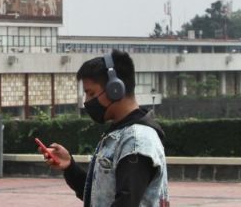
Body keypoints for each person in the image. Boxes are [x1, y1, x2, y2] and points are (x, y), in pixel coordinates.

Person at [40, 50, 168, 206]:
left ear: (115, 89)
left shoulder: (136, 141)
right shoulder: (121, 133)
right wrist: (70, 167)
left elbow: (126, 202)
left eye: (91, 93)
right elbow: (99, 196)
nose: (86, 101)